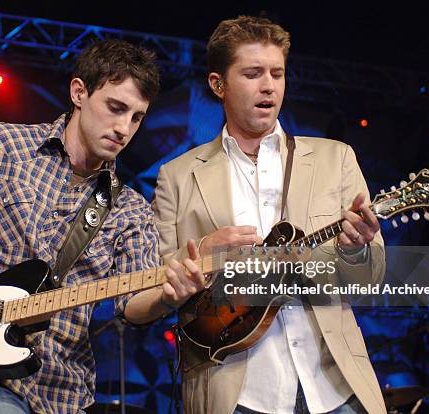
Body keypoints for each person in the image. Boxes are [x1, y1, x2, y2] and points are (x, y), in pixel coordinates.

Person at [0, 39, 178, 414]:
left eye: (137, 117)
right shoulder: (0, 144)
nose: (123, 128)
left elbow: (132, 305)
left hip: (62, 392)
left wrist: (170, 294)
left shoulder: (132, 211)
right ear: (79, 92)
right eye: (115, 108)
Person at [150, 16, 387, 414]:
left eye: (277, 73)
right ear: (218, 84)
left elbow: (371, 279)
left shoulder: (336, 158)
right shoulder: (176, 176)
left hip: (333, 386)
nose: (268, 85)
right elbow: (155, 283)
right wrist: (202, 256)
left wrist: (356, 251)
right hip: (235, 392)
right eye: (253, 73)